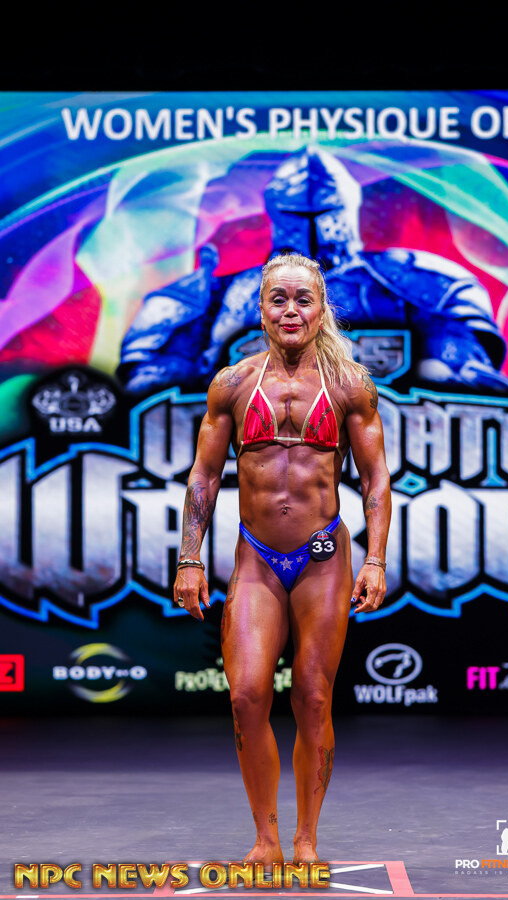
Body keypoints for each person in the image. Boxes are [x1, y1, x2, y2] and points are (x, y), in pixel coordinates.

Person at [173, 253, 391, 866]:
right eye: (278, 299)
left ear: (321, 309)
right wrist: (189, 558)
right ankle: (266, 838)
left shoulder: (350, 385)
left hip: (324, 559)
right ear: (261, 309)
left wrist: (375, 561)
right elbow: (204, 476)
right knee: (246, 696)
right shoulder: (233, 384)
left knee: (313, 699)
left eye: (303, 299)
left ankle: (305, 839)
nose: (291, 310)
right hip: (258, 560)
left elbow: (375, 479)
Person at [120, 146, 508, 396]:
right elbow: (153, 392)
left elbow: (464, 370)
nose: (313, 226)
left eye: (324, 212)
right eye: (297, 214)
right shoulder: (217, 296)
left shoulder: (415, 282)